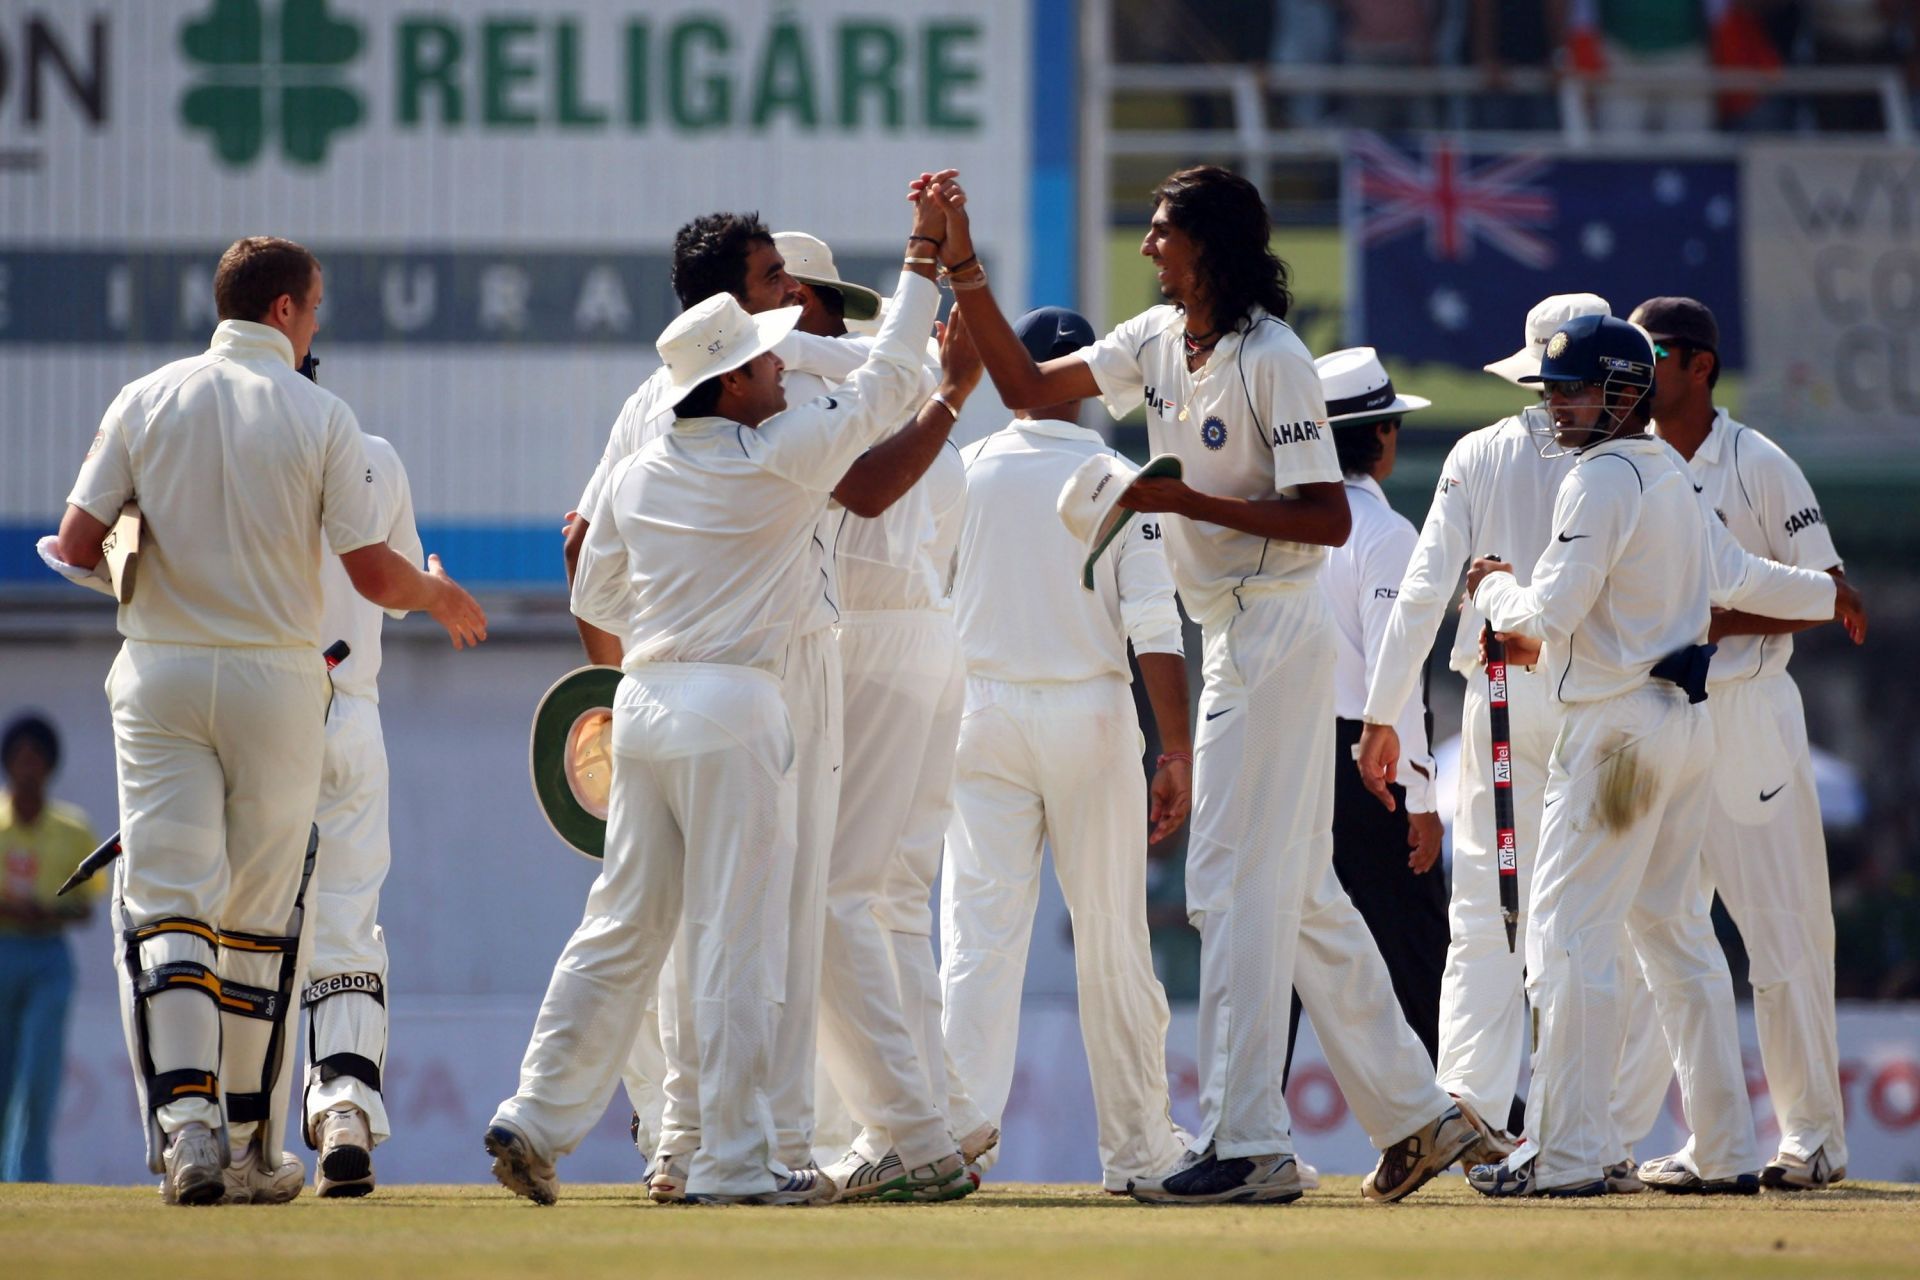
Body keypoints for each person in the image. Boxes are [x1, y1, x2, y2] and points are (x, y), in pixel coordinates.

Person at [936, 165, 1481, 1205]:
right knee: (1300, 891)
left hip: (1276, 627)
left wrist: (1188, 499)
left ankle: (1250, 1141)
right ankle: (1417, 1113)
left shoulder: (1274, 358)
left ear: (1209, 243)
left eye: (1159, 231)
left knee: (1226, 886)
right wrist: (963, 263)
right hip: (1230, 630)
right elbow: (1026, 386)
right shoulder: (1154, 341)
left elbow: (1325, 518)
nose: (1145, 248)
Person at [484, 170, 959, 1207]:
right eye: (763, 323)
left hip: (648, 693)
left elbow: (595, 576)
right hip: (744, 699)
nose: (779, 353)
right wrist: (924, 258)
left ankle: (537, 1111)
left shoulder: (644, 455)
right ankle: (738, 1158)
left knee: (623, 926)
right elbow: (889, 386)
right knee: (745, 941)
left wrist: (626, 673)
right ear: (732, 369)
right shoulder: (778, 450)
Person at [51, 235, 485, 1205]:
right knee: (261, 924)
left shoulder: (145, 397)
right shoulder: (325, 417)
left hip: (161, 670)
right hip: (287, 686)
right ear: (287, 309)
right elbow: (375, 576)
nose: (317, 320)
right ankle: (259, 1140)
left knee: (168, 905)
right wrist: (442, 598)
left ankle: (190, 1131)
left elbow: (76, 546)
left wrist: (142, 555)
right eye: (317, 303)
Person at [1463, 314, 1854, 1197]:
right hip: (1681, 727)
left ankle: (1562, 1156)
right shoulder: (1669, 473)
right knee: (1679, 944)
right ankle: (1721, 1152)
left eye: (1571, 389)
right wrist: (1831, 600)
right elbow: (1740, 577)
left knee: (1567, 944)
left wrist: (1489, 583)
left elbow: (1546, 613)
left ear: (1623, 392)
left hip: (1615, 741)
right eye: (1551, 391)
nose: (1555, 406)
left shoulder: (1599, 478)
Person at [940, 306, 1195, 1194]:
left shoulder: (964, 472)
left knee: (978, 935)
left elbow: (928, 605)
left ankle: (957, 1134)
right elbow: (1153, 624)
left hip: (978, 713)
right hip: (1088, 713)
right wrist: (1175, 752)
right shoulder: (1119, 477)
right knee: (1113, 943)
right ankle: (1139, 1152)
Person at [1356, 293, 1611, 1155]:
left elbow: (1427, 592)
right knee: (1587, 914)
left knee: (1493, 909)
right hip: (1601, 696)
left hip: (1507, 690)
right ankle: (1579, 1130)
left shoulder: (1484, 450)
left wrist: (1383, 714)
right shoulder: (1639, 460)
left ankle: (1473, 1104)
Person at [770, 230, 991, 1198]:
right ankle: (941, 1104)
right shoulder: (882, 381)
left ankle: (911, 1128)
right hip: (922, 638)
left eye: (777, 297)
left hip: (866, 639)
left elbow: (862, 490)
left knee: (835, 893)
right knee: (889, 894)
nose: (761, 323)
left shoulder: (824, 379)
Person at [1628, 295, 1858, 1191]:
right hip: (1661, 718)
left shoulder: (1756, 462)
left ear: (1700, 366)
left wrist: (1714, 619)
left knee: (1783, 933)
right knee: (1670, 938)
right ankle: (1711, 1141)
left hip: (1749, 709)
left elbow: (1832, 591)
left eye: (1655, 356)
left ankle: (1815, 1138)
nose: (1640, 373)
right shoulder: (1633, 461)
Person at [1304, 348, 1447, 1066]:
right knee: (1415, 946)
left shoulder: (1288, 523)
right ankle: (1467, 1110)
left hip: (1295, 757)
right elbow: (1398, 673)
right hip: (1371, 765)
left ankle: (1249, 1124)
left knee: (1286, 953)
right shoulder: (1387, 535)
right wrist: (1420, 794)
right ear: (1381, 437)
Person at [299, 430, 426, 1198]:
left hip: (237, 703)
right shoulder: (373, 449)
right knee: (344, 919)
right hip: (345, 704)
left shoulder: (188, 430)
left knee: (228, 923)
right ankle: (343, 1107)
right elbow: (394, 582)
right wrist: (436, 587)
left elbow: (84, 557)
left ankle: (207, 1130)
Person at [0, 715, 98, 1182]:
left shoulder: (73, 829)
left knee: (40, 1072)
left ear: (50, 765)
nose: (28, 767)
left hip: (48, 958)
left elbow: (87, 908)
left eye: (37, 757)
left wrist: (47, 912)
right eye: (20, 757)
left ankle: (31, 1178)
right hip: (2, 951)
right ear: (8, 764)